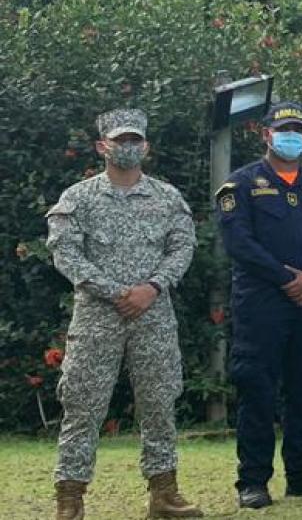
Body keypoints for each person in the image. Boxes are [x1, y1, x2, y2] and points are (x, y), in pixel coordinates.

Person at [45, 108, 201, 519]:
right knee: (82, 404)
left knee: (160, 402)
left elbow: (182, 248)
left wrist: (151, 288)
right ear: (102, 146)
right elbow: (65, 252)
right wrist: (116, 292)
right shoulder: (77, 199)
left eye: (135, 140)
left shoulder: (168, 198)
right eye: (119, 141)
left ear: (146, 147)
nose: (127, 147)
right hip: (98, 317)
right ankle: (70, 499)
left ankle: (164, 495)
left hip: (153, 314)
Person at [217, 101, 302, 509]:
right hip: (261, 303)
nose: (292, 136)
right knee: (256, 387)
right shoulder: (240, 185)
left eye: (299, 130)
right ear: (266, 135)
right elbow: (239, 243)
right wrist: (287, 278)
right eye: (284, 129)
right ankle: (252, 481)